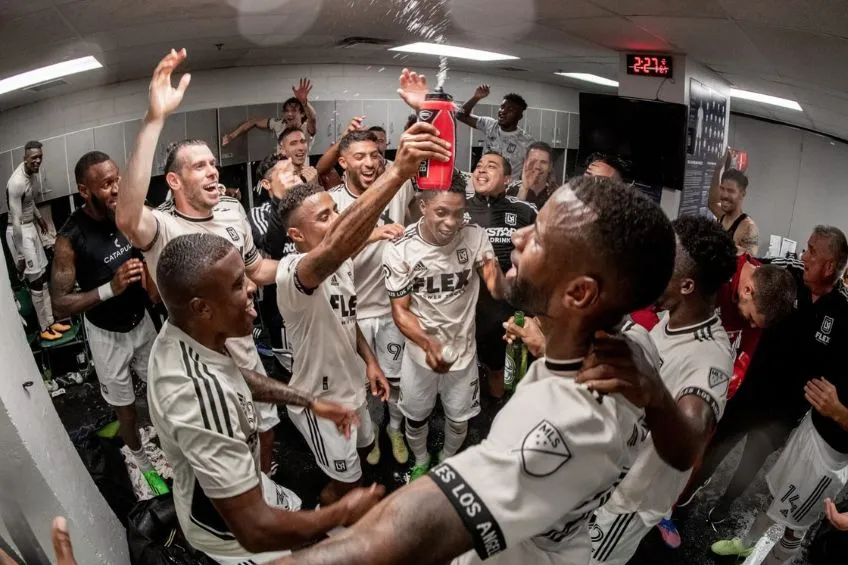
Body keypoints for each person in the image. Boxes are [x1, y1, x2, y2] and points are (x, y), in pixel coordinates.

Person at [270, 176, 720, 565]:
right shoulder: (631, 347)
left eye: (540, 237)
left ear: (579, 294)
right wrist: (656, 397)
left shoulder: (558, 425)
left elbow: (407, 534)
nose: (519, 237)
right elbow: (680, 453)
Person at [149, 233, 384, 564]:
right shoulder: (198, 398)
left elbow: (237, 377)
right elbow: (254, 529)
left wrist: (308, 401)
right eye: (235, 285)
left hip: (250, 485)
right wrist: (343, 511)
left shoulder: (190, 334)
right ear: (202, 308)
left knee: (299, 525)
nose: (251, 287)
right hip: (234, 539)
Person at [115, 48, 283, 473]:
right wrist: (154, 119)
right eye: (198, 167)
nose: (213, 172)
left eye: (213, 164)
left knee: (263, 421)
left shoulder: (232, 212)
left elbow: (255, 269)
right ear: (174, 181)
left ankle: (263, 483)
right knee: (217, 438)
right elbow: (127, 216)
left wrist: (307, 266)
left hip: (241, 340)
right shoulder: (162, 228)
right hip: (195, 354)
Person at [274, 120, 451, 505]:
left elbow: (346, 318)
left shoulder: (340, 268)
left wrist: (369, 361)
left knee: (368, 440)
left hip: (353, 379)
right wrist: (398, 173)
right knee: (345, 486)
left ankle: (372, 459)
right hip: (321, 401)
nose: (336, 220)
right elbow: (336, 247)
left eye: (376, 155)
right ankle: (333, 527)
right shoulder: (296, 273)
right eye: (325, 217)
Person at [590, 216, 737, 565]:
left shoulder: (710, 356)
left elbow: (691, 436)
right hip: (606, 480)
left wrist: (651, 390)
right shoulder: (669, 323)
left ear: (687, 285)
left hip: (627, 503)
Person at [683, 226, 848, 536]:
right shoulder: (787, 273)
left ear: (829, 266)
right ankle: (686, 496)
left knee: (751, 463)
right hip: (749, 392)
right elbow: (748, 271)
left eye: (812, 250)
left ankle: (724, 506)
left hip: (782, 414)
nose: (804, 254)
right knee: (716, 447)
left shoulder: (843, 312)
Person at [51, 151, 167, 494]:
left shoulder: (127, 212)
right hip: (106, 335)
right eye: (106, 184)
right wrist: (109, 288)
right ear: (85, 191)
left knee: (163, 390)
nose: (117, 188)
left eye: (118, 179)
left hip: (141, 323)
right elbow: (59, 305)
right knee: (126, 408)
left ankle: (170, 447)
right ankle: (142, 465)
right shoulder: (70, 238)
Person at [384, 176, 506, 481]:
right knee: (415, 417)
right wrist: (428, 344)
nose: (452, 222)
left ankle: (447, 460)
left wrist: (504, 278)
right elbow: (400, 310)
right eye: (442, 212)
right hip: (419, 355)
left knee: (459, 420)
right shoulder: (401, 248)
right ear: (423, 206)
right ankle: (423, 459)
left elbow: (496, 285)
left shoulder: (475, 236)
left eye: (458, 212)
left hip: (462, 354)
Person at [327, 129, 415, 466]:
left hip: (393, 306)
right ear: (343, 162)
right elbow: (327, 254)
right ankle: (372, 434)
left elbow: (423, 179)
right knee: (365, 383)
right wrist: (372, 234)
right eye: (360, 156)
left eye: (374, 155)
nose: (370, 162)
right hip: (354, 314)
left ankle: (394, 429)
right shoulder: (332, 202)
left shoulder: (395, 185)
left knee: (394, 377)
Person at [711, 371, 848, 563]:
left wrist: (839, 412)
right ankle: (746, 545)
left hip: (828, 462)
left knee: (794, 526)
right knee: (774, 496)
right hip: (809, 430)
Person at [464, 153, 536, 398]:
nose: (481, 170)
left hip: (504, 313)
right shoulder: (457, 207)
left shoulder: (525, 212)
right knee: (462, 375)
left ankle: (497, 412)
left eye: (491, 166)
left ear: (507, 179)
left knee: (502, 376)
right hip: (464, 311)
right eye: (478, 166)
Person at [5, 141, 70, 341]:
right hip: (19, 233)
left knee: (42, 276)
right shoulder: (16, 182)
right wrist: (21, 255)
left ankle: (51, 321)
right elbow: (16, 222)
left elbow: (30, 200)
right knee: (35, 281)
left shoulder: (31, 175)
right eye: (34, 157)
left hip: (30, 228)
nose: (38, 161)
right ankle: (44, 328)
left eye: (40, 157)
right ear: (25, 158)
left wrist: (40, 219)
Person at [249, 154, 302, 373]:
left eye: (293, 172)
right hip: (280, 303)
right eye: (284, 172)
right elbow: (272, 247)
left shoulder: (308, 207)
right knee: (288, 366)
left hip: (314, 295)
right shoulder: (259, 213)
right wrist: (280, 200)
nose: (291, 176)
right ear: (266, 183)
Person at [455, 84, 533, 181]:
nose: (503, 111)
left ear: (519, 116)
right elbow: (460, 115)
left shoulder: (527, 142)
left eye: (510, 110)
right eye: (502, 107)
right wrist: (476, 97)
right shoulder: (490, 125)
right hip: (483, 184)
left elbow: (531, 172)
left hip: (508, 191)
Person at [222, 78, 317, 147]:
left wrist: (305, 103)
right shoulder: (280, 124)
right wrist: (231, 136)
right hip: (281, 169)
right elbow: (254, 121)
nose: (289, 114)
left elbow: (312, 118)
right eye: (287, 111)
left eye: (294, 111)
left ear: (302, 114)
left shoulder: (306, 129)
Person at [708, 150, 759, 255]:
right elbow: (712, 203)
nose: (725, 195)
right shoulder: (723, 216)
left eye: (731, 191)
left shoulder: (749, 228)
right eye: (722, 189)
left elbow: (748, 263)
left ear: (742, 194)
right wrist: (717, 170)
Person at [511, 141, 556, 208]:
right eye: (533, 161)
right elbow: (513, 216)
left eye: (543, 162)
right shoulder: (510, 190)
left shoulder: (556, 195)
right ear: (525, 163)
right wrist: (524, 189)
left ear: (550, 167)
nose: (537, 166)